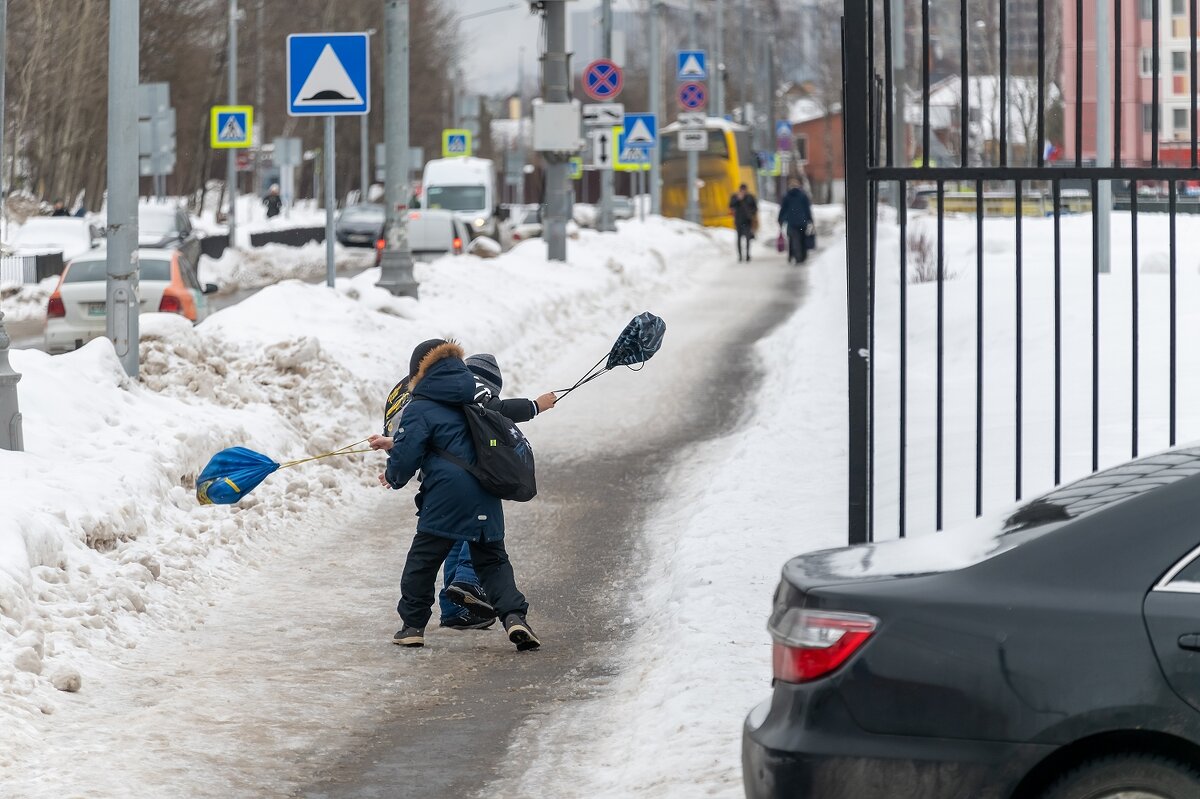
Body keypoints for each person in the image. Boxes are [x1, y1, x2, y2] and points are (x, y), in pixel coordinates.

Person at [369, 338, 541, 652]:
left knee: (422, 562)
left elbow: (408, 455)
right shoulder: (475, 402)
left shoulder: (420, 406)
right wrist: (536, 405)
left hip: (445, 498)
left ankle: (412, 626)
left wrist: (393, 476)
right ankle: (515, 617)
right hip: (486, 491)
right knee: (493, 562)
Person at [778, 179, 814, 265]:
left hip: (791, 222)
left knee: (793, 240)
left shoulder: (787, 196)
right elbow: (807, 209)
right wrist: (810, 220)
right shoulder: (803, 195)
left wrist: (780, 219)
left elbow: (783, 209)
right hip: (802, 221)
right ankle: (802, 256)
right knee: (802, 239)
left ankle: (795, 256)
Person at [728, 183, 758, 262]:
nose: (743, 192)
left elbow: (755, 208)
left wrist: (751, 214)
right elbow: (731, 205)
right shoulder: (735, 197)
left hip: (747, 221)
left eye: (744, 190)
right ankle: (740, 256)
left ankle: (748, 255)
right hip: (738, 221)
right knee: (738, 239)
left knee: (748, 238)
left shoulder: (750, 197)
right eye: (742, 190)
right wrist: (738, 199)